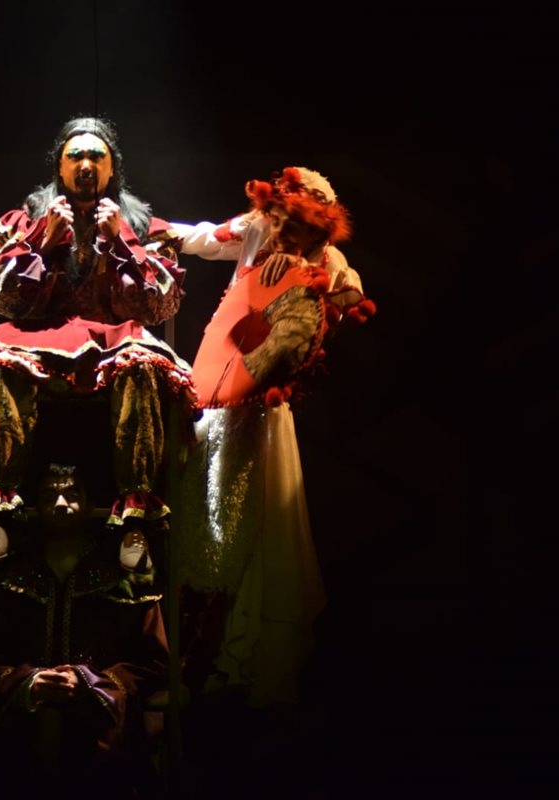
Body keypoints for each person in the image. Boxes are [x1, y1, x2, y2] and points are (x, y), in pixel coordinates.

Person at [169, 166, 376, 705]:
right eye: (278, 218)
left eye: (295, 223)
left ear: (317, 229)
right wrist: (149, 229)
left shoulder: (325, 261)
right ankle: (191, 638)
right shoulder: (259, 230)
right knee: (203, 502)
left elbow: (347, 297)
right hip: (221, 389)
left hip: (259, 402)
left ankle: (228, 647)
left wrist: (312, 281)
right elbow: (206, 237)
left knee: (243, 514)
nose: (282, 230)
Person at [0, 116, 191, 573]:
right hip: (41, 334)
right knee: (2, 365)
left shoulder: (141, 223)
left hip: (113, 335)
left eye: (96, 156)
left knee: (142, 367)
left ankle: (135, 521)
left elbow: (161, 305)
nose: (86, 164)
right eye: (75, 155)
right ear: (59, 167)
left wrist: (121, 242)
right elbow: (3, 300)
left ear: (112, 167)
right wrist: (42, 243)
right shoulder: (26, 219)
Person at [0, 463, 168, 799]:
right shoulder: (7, 578)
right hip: (22, 730)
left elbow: (153, 663)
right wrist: (29, 683)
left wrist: (90, 683)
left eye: (72, 494)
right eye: (49, 495)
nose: (61, 503)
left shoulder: (122, 579)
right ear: (36, 505)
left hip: (102, 726)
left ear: (90, 505)